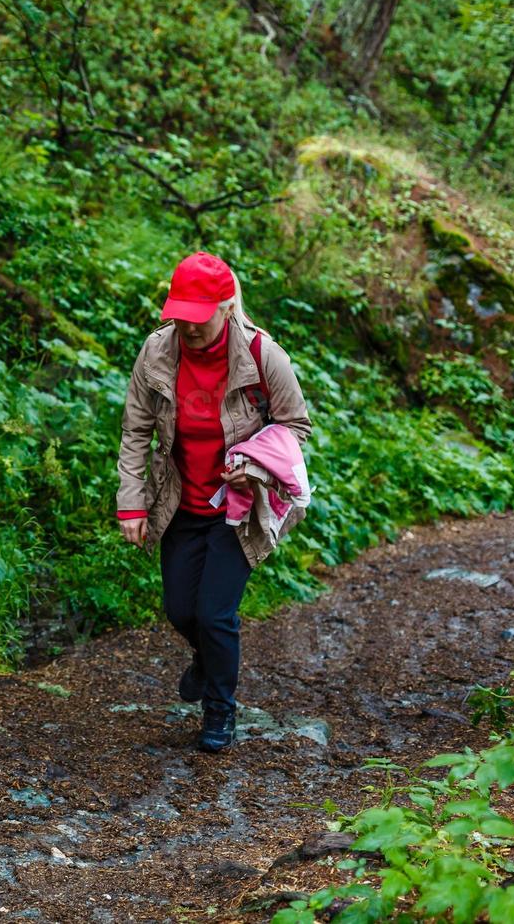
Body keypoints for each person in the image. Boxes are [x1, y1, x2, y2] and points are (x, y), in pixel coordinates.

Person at [116, 253, 311, 752]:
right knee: (182, 610)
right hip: (180, 499)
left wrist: (254, 464)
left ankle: (220, 711)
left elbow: (296, 426)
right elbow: (136, 429)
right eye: (179, 314)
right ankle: (206, 661)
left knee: (216, 613)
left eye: (198, 317)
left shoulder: (265, 356)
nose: (188, 326)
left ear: (226, 308)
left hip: (237, 508)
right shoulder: (156, 352)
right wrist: (132, 503)